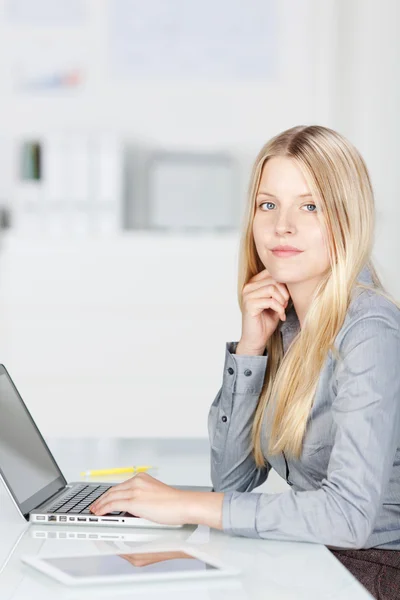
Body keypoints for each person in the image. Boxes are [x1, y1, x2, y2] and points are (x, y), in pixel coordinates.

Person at [90, 126, 400, 599]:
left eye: (309, 206)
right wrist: (251, 347)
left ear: (347, 217)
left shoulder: (369, 332)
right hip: (317, 554)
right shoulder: (289, 321)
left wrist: (185, 505)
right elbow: (234, 479)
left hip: (372, 571)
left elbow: (349, 517)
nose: (283, 226)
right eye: (268, 205)